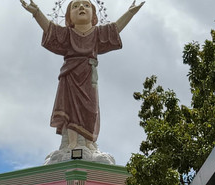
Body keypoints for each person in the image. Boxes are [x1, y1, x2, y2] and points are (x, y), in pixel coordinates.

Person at [20, 0, 144, 156]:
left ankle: (88, 142)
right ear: (69, 17)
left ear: (93, 15)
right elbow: (50, 29)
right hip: (70, 75)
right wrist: (36, 12)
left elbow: (115, 29)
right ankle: (71, 143)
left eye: (86, 5)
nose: (81, 7)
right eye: (75, 5)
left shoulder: (98, 33)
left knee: (91, 109)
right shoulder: (67, 34)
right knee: (71, 109)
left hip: (89, 76)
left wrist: (130, 13)